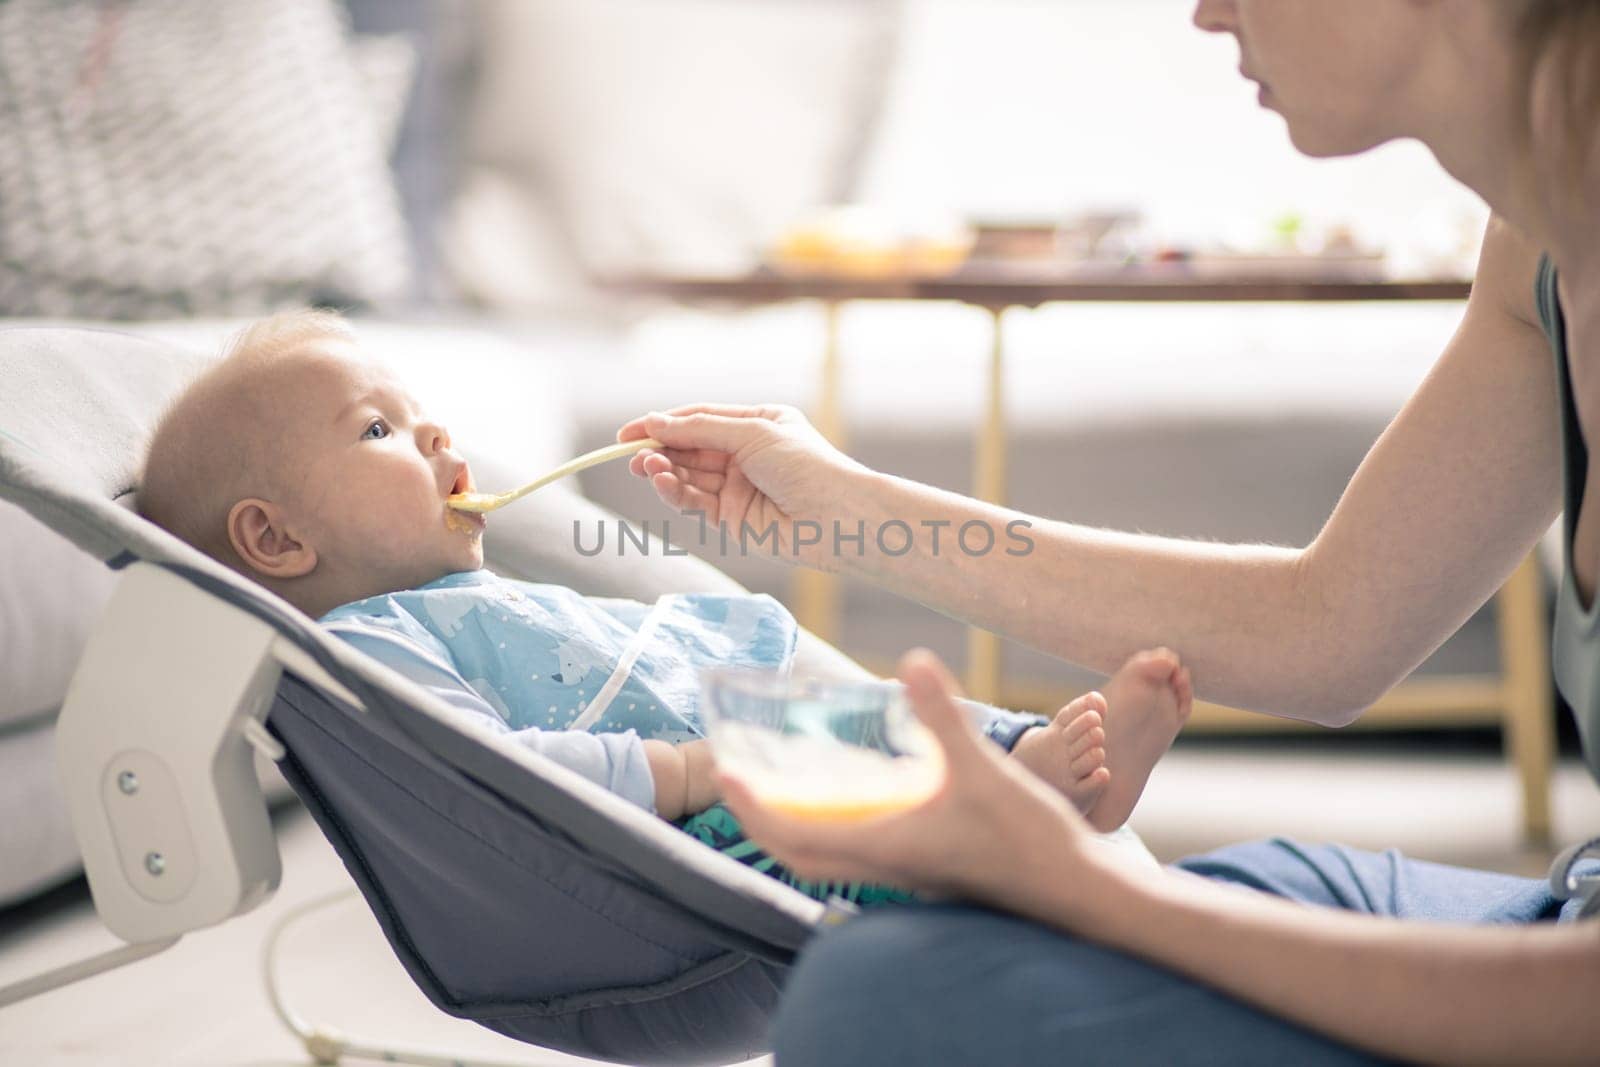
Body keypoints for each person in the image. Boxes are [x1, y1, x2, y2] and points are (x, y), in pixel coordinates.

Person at [616, 1, 1600, 1062]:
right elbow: (1330, 627)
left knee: (887, 996)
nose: (1206, 9)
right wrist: (845, 508)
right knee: (1114, 919)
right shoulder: (1537, 242)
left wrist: (1069, 879)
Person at [135, 308, 1191, 905]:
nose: (436, 441)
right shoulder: (376, 643)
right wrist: (683, 772)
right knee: (846, 827)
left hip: (744, 737)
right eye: (378, 432)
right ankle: (1002, 826)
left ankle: (1026, 762)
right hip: (697, 825)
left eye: (423, 419)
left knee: (899, 728)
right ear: (276, 538)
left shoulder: (467, 591)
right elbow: (494, 771)